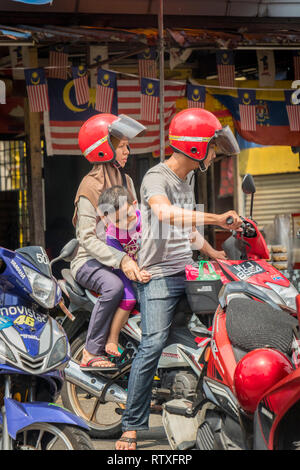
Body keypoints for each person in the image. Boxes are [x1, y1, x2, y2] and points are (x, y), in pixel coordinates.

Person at [115, 107, 242, 450]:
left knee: (213, 336)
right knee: (153, 344)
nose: (215, 154)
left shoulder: (188, 178)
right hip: (157, 276)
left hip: (186, 270)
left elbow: (183, 226)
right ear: (196, 147)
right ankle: (131, 426)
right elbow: (163, 212)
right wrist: (216, 218)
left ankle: (209, 410)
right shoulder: (157, 177)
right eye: (213, 147)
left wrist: (212, 253)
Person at [70, 113, 146, 370]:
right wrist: (121, 259)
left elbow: (137, 221)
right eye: (122, 145)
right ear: (105, 148)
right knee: (113, 287)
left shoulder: (127, 181)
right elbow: (86, 238)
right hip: (89, 263)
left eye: (127, 145)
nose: (127, 151)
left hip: (124, 258)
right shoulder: (88, 187)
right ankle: (90, 352)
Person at [98, 185, 151, 356]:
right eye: (117, 220)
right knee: (129, 300)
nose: (124, 223)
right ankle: (112, 338)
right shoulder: (112, 234)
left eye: (126, 216)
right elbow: (119, 261)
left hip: (146, 265)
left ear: (134, 204)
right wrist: (136, 274)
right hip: (123, 269)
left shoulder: (147, 220)